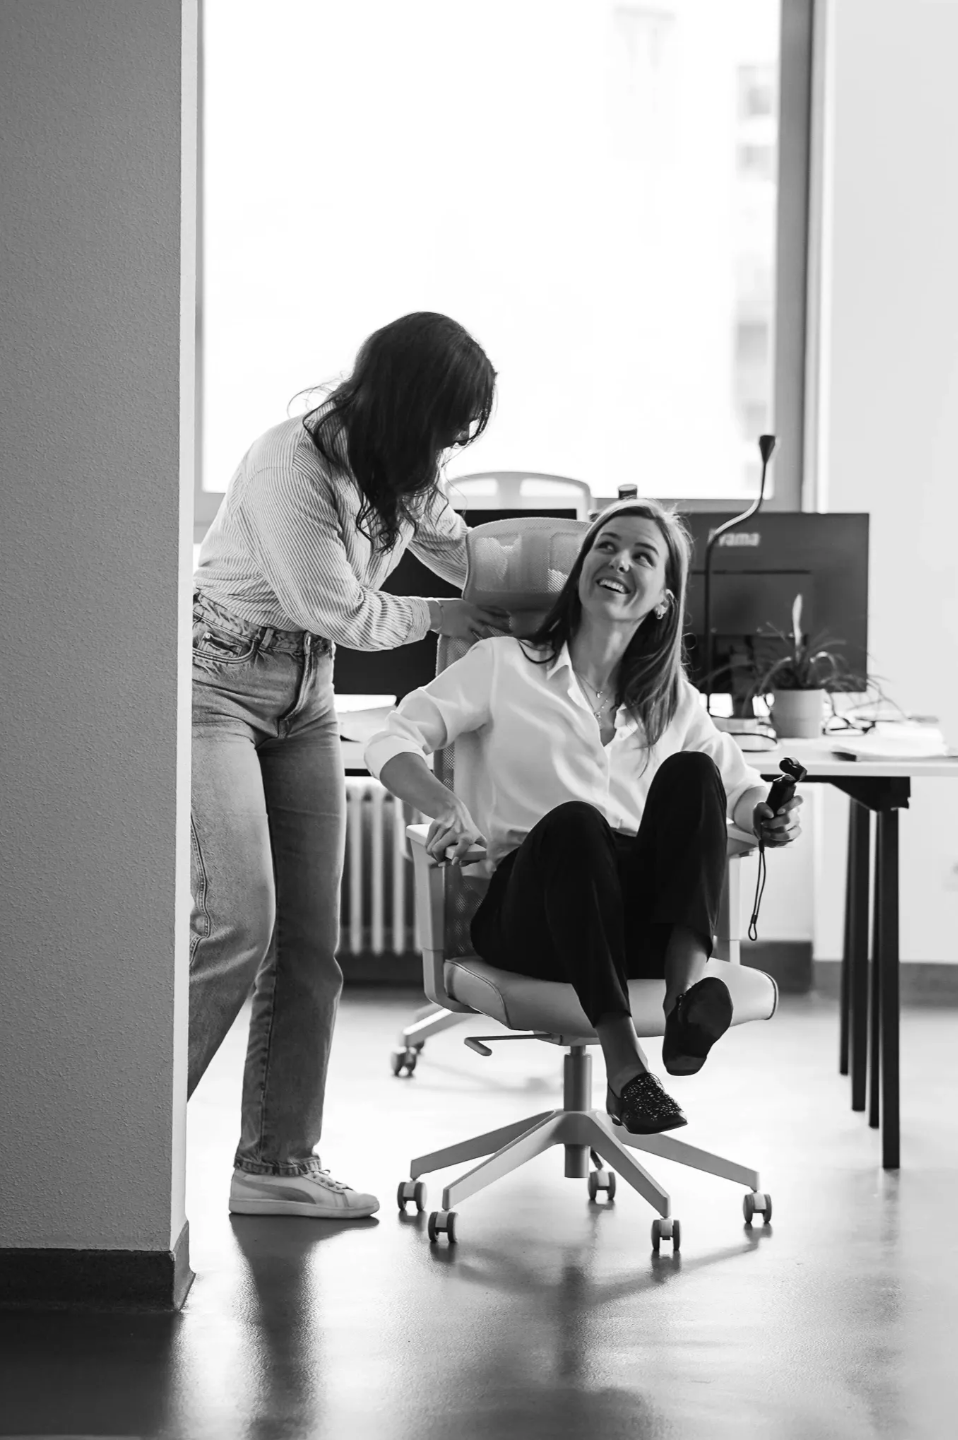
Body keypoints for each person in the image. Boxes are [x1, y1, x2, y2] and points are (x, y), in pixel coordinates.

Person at [190, 312, 510, 1219]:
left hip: (309, 702)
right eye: (450, 425)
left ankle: (276, 1164)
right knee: (236, 926)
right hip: (216, 685)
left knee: (308, 948)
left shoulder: (399, 468)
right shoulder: (291, 465)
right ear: (406, 407)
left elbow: (464, 550)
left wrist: (575, 566)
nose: (452, 446)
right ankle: (114, 1157)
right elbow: (342, 610)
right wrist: (444, 620)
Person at [366, 498, 803, 1136]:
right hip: (530, 915)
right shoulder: (503, 665)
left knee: (694, 774)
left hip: (633, 924)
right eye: (607, 546)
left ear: (663, 599)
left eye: (642, 556)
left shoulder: (671, 700)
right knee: (576, 824)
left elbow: (738, 789)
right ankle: (628, 1069)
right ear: (581, 570)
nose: (619, 561)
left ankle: (684, 1006)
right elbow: (394, 738)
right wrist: (444, 804)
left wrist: (766, 814)